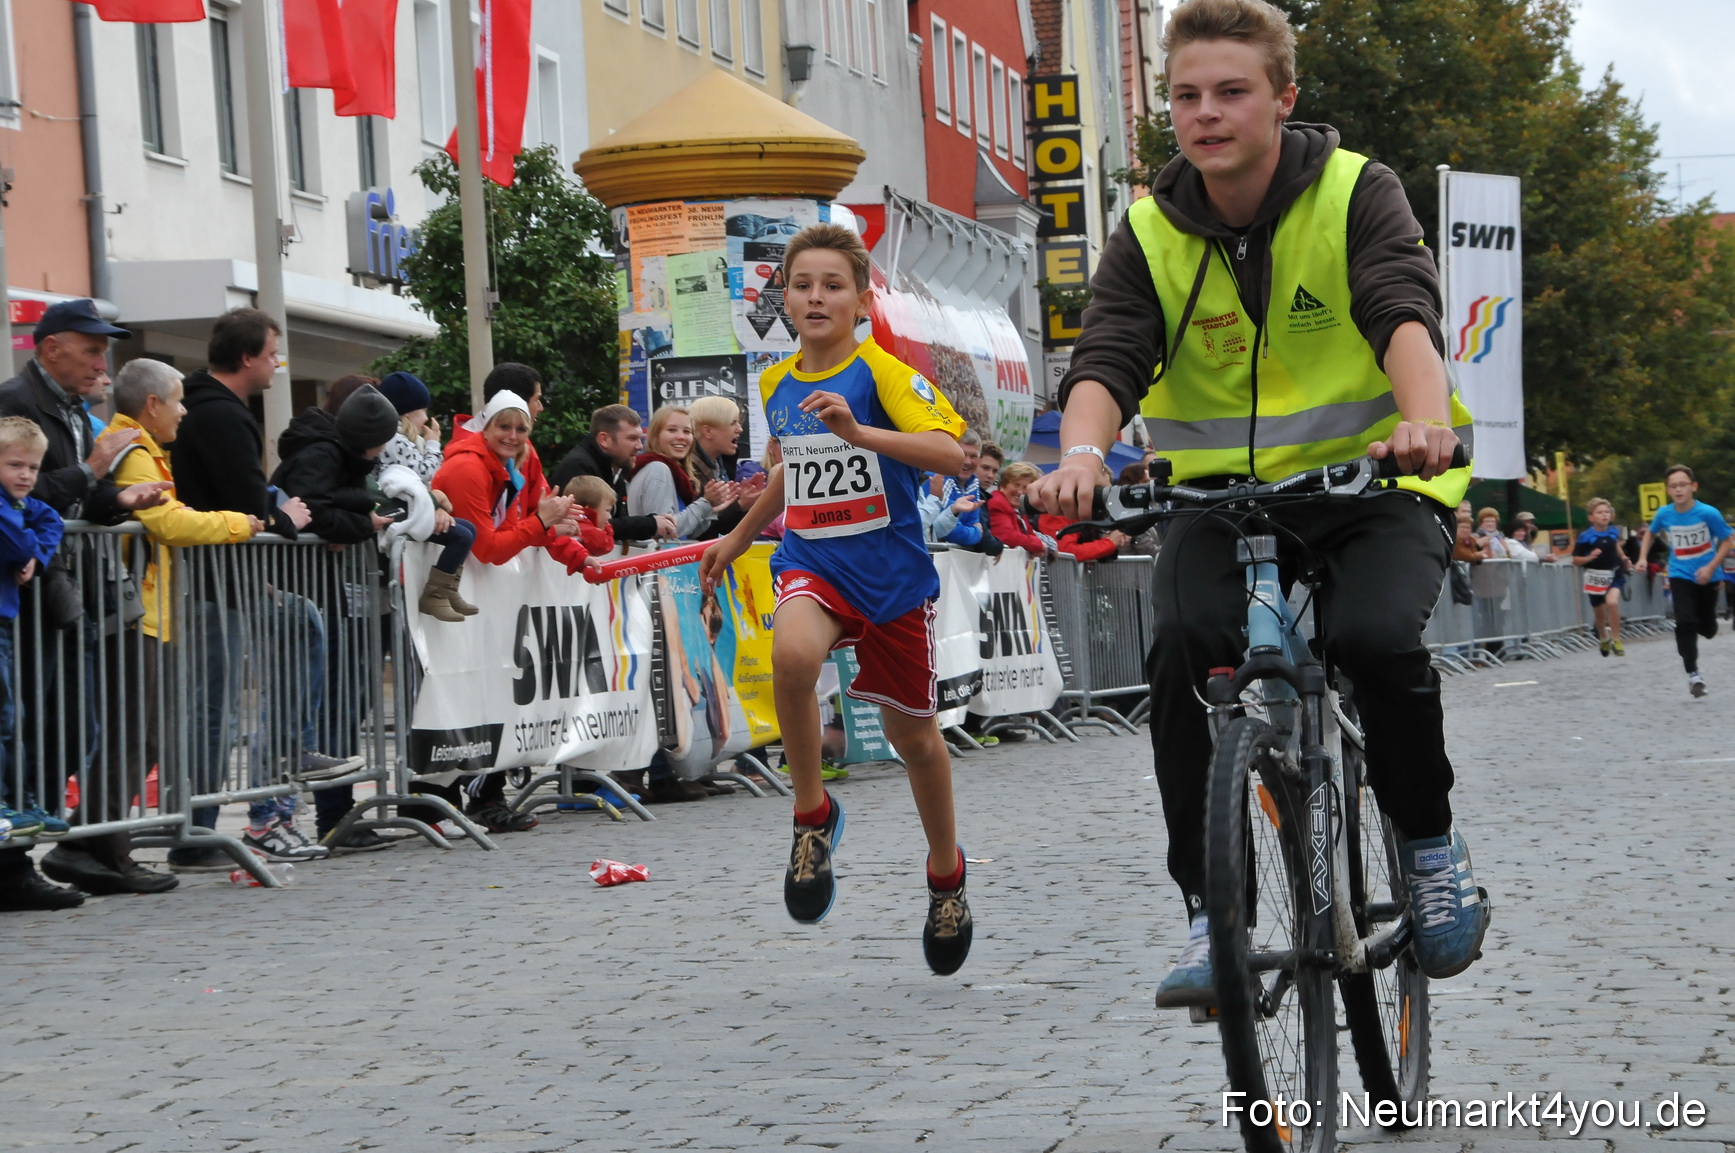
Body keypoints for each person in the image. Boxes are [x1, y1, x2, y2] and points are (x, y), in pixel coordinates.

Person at [1031, 0, 1488, 998]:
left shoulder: (1355, 191)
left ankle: (1429, 848)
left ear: (1282, 99)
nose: (1206, 113)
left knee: (1373, 640)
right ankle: (1209, 912)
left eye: (1232, 91)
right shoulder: (1147, 231)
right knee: (1181, 649)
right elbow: (1108, 351)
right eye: (1186, 95)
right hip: (1223, 499)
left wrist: (1422, 422)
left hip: (1373, 481)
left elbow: (1398, 304)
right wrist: (1080, 452)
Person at [700, 222, 976, 976]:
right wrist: (737, 534)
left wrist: (863, 432)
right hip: (812, 560)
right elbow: (795, 466)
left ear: (860, 299)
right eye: (801, 284)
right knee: (791, 656)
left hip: (888, 575)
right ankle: (811, 815)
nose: (815, 296)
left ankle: (946, 875)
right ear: (784, 298)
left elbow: (951, 454)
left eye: (832, 284)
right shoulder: (774, 381)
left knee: (915, 741)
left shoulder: (882, 374)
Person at [164, 308, 354, 872]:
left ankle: (277, 773)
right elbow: (248, 502)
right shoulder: (220, 414)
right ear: (247, 357)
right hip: (213, 580)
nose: (278, 364)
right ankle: (203, 827)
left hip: (229, 577)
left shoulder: (214, 407)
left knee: (301, 624)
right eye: (273, 354)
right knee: (211, 708)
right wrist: (286, 519)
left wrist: (277, 522)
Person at [0, 300, 174, 905]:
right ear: (51, 349)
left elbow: (74, 500)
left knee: (74, 730)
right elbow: (25, 494)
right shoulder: (16, 403)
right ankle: (13, 864)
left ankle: (29, 849)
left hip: (65, 590)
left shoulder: (74, 411)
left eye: (104, 349)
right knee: (32, 727)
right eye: (92, 348)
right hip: (29, 592)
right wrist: (93, 470)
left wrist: (121, 501)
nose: (103, 361)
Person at [428, 390, 581, 830]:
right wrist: (541, 525)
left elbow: (516, 528)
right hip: (453, 598)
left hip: (484, 598)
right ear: (486, 425)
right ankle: (434, 803)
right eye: (504, 427)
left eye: (520, 429)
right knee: (456, 697)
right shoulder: (467, 467)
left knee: (491, 694)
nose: (513, 436)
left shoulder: (509, 462)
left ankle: (477, 796)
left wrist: (563, 541)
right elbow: (491, 547)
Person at [0, 417, 68, 907]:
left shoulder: (20, 504)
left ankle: (16, 801)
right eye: (14, 465)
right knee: (4, 717)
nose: (25, 475)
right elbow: (19, 540)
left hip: (4, 620)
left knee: (11, 717)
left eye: (32, 467)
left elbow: (49, 520)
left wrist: (38, 556)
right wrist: (28, 548)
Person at [1638, 465, 1733, 697]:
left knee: (1708, 629)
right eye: (1673, 486)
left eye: (1683, 485)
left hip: (1707, 576)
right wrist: (1641, 558)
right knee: (1685, 621)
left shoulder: (1708, 513)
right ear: (1668, 490)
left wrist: (1710, 567)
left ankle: (1706, 625)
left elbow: (1728, 540)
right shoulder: (1664, 514)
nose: (1679, 489)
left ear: (1693, 487)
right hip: (1680, 575)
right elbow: (1651, 532)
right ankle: (1693, 674)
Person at [548, 403, 677, 546]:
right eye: (632, 438)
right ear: (604, 440)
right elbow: (590, 525)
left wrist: (652, 523)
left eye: (640, 439)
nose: (640, 446)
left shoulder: (616, 468)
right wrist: (651, 524)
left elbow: (612, 522)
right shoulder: (578, 466)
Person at [628, 405, 738, 542]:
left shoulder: (674, 471)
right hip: (659, 562)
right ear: (656, 435)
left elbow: (689, 533)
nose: (681, 437)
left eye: (687, 431)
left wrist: (711, 508)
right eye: (672, 430)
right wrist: (705, 503)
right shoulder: (658, 469)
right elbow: (666, 532)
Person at [689, 395, 768, 540]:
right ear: (707, 431)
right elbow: (697, 529)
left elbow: (723, 526)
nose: (740, 429)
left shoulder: (721, 464)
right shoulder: (688, 471)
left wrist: (742, 504)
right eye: (733, 423)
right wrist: (739, 505)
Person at [1572, 497, 1630, 656]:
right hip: (1594, 577)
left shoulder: (1614, 532)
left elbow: (1615, 546)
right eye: (1600, 512)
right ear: (1591, 517)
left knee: (1612, 603)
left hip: (1614, 573)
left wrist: (1624, 558)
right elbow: (1575, 559)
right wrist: (1589, 558)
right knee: (1600, 615)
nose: (1604, 515)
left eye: (1607, 512)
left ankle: (1616, 639)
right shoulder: (1585, 537)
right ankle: (1604, 637)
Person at [1038, 464, 1130, 561]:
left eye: (1104, 491)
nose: (1100, 496)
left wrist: (1120, 539)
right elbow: (1066, 552)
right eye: (1097, 489)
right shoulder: (1059, 510)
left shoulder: (1095, 511)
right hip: (1061, 572)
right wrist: (1110, 542)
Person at [373, 371, 446, 483]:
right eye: (423, 410)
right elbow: (424, 474)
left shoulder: (394, 437)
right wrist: (433, 445)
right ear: (408, 411)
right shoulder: (395, 440)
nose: (426, 418)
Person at [986, 462, 1058, 559]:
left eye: (1025, 488)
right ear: (1003, 485)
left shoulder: (1016, 510)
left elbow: (1029, 533)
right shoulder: (997, 503)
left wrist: (1038, 547)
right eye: (1016, 485)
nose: (1020, 491)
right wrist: (1038, 545)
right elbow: (1006, 537)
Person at [562, 475, 619, 556]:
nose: (609, 516)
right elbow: (604, 545)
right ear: (589, 511)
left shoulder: (571, 522)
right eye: (607, 510)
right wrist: (607, 528)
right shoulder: (582, 527)